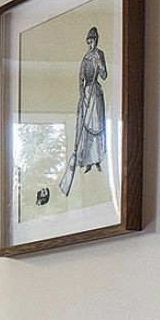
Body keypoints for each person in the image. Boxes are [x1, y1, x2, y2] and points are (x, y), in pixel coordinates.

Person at [58, 25, 107, 198]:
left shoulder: (99, 54)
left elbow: (104, 75)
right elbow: (81, 79)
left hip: (96, 93)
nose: (92, 43)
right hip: (87, 94)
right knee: (84, 128)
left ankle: (98, 159)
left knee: (97, 126)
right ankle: (87, 160)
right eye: (90, 41)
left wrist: (99, 63)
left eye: (94, 40)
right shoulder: (85, 58)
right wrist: (83, 96)